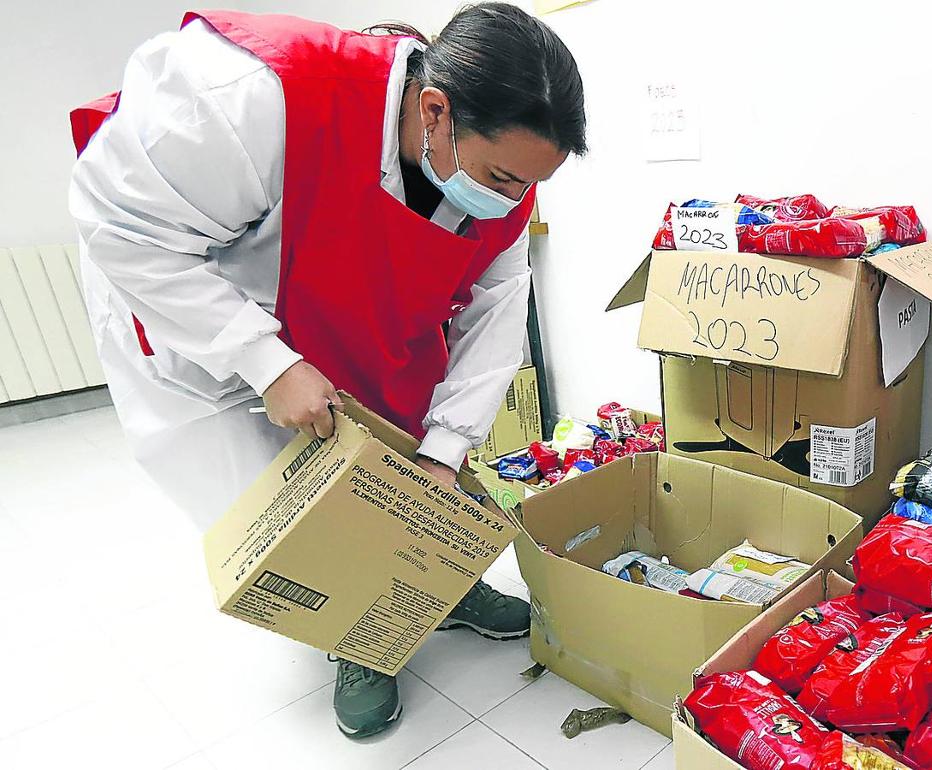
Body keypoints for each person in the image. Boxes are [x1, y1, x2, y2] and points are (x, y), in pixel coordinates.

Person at [68, 3, 586, 738]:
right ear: (434, 111)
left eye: (527, 186)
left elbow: (495, 317)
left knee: (402, 455)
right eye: (501, 176)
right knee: (298, 501)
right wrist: (264, 361)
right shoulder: (254, 94)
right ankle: (360, 631)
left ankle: (436, 586)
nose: (510, 203)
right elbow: (121, 225)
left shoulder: (506, 185)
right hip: (205, 309)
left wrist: (445, 452)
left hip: (349, 305)